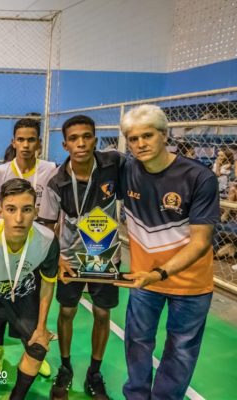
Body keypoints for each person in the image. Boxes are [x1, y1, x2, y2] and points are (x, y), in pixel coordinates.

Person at [118, 104, 219, 400]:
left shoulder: (199, 177)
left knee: (181, 350)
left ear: (165, 135)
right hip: (143, 280)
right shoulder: (127, 171)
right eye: (133, 139)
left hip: (190, 285)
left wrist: (159, 273)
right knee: (136, 342)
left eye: (147, 135)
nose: (140, 144)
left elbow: (201, 241)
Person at [38, 115, 124, 400]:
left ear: (95, 140)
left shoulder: (114, 165)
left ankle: (94, 373)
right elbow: (46, 227)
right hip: (71, 257)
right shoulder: (57, 181)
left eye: (87, 136)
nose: (81, 143)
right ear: (65, 145)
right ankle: (65, 368)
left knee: (102, 313)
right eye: (74, 139)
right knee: (66, 312)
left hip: (105, 255)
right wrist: (57, 260)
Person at [0, 178, 58, 400]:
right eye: (11, 209)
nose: (19, 218)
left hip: (23, 296)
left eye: (26, 209)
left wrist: (41, 327)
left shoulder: (47, 240)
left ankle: (17, 397)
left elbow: (48, 283)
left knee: (38, 347)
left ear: (36, 212)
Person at [0, 117, 56, 374]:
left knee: (35, 301)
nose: (26, 145)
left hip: (37, 248)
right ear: (13, 142)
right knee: (0, 298)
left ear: (39, 143)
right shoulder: (0, 172)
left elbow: (57, 210)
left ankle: (33, 346)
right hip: (6, 247)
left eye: (31, 140)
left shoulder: (51, 170)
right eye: (21, 140)